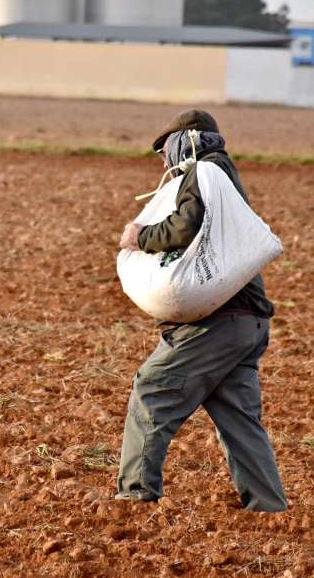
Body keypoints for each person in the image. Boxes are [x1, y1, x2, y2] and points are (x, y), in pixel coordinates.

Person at [115, 109, 287, 511]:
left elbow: (185, 226)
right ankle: (268, 506)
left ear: (185, 141)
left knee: (152, 390)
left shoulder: (204, 172)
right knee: (238, 417)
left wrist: (142, 237)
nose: (164, 162)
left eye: (166, 150)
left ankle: (134, 497)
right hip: (250, 323)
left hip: (217, 325)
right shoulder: (224, 180)